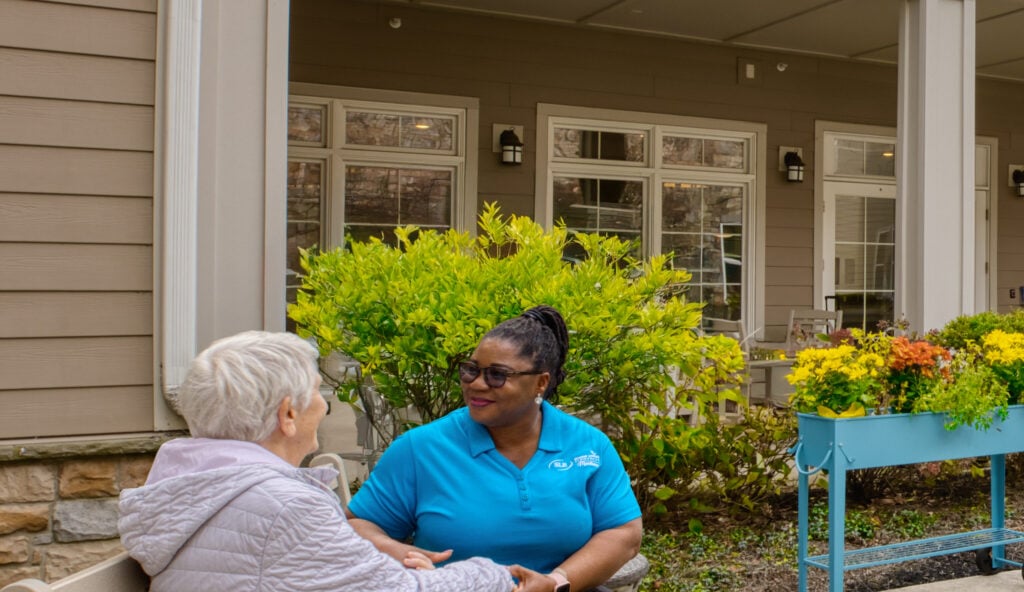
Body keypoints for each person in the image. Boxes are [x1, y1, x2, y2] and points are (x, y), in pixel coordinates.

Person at [118, 330, 551, 592]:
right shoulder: (282, 504)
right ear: (288, 415)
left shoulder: (191, 483)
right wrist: (495, 576)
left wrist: (387, 563)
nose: (324, 407)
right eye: (317, 393)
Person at [346, 306, 643, 592]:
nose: (476, 384)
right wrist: (400, 554)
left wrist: (556, 583)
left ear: (540, 383)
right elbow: (359, 524)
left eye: (497, 375)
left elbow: (623, 533)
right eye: (471, 370)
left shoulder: (588, 446)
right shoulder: (421, 449)